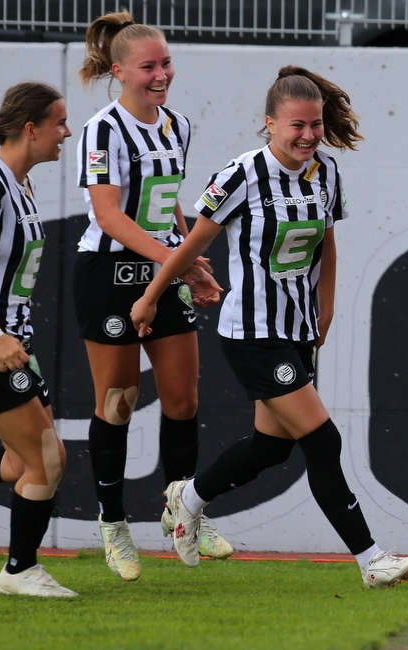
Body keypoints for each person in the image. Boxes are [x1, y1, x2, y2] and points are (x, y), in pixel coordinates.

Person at [130, 65, 408, 588]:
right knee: (323, 441)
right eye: (297, 126)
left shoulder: (326, 172)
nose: (308, 135)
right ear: (270, 123)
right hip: (253, 333)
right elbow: (194, 242)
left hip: (297, 331)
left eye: (315, 125)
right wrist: (153, 296)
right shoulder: (242, 173)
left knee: (272, 448)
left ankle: (187, 497)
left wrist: (325, 310)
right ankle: (372, 560)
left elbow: (327, 244)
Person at [75, 10, 232, 582]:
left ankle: (183, 512)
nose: (161, 73)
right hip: (109, 273)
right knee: (117, 401)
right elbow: (109, 216)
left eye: (166, 62)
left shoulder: (178, 125)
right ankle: (112, 522)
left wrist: (185, 254)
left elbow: (167, 202)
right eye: (149, 66)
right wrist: (179, 262)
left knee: (183, 400)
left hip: (163, 270)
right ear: (119, 71)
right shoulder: (102, 129)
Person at [0, 82, 76, 597]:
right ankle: (19, 571)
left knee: (21, 463)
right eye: (60, 123)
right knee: (48, 460)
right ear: (31, 128)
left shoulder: (19, 183)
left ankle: (20, 569)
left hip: (14, 346)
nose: (66, 133)